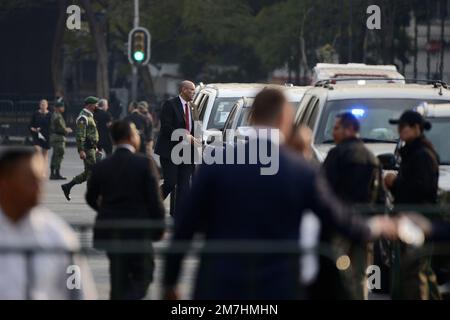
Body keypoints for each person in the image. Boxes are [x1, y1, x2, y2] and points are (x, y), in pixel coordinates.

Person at [162, 88, 396, 300]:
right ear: (285, 119)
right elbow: (336, 218)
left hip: (219, 286)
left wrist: (169, 282)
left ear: (251, 117)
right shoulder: (301, 170)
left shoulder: (216, 165)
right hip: (278, 286)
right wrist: (377, 226)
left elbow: (185, 225)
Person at [0, 147, 97, 299]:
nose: (39, 188)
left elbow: (78, 291)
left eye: (40, 180)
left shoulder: (58, 235)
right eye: (30, 180)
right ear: (4, 183)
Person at [85, 121, 165, 300]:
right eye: (136, 132)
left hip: (112, 231)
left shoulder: (102, 166)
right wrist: (159, 228)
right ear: (130, 137)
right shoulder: (144, 163)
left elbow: (90, 197)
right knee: (144, 274)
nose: (138, 136)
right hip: (139, 231)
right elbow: (155, 200)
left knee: (117, 277)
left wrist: (105, 210)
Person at [313, 112, 383, 300]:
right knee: (360, 275)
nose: (333, 133)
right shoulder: (371, 158)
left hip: (339, 223)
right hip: (364, 224)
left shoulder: (337, 155)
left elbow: (323, 188)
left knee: (334, 271)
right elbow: (380, 198)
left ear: (350, 129)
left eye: (336, 128)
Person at [385, 110, 441, 300]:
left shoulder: (422, 155)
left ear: (416, 128)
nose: (400, 131)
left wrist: (395, 183)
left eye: (403, 127)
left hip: (418, 219)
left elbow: (420, 189)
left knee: (415, 272)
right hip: (411, 217)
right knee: (421, 270)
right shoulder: (412, 152)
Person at [154, 80, 199, 217]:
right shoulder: (170, 104)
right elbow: (167, 127)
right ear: (184, 90)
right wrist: (185, 137)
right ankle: (153, 205)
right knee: (170, 183)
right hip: (170, 151)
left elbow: (196, 127)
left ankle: (179, 215)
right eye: (192, 90)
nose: (194, 93)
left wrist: (198, 139)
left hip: (187, 152)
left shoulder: (193, 107)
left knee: (184, 185)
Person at [61, 97, 99, 201]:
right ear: (89, 105)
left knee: (88, 172)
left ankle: (68, 186)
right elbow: (80, 134)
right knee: (92, 172)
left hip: (91, 148)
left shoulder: (88, 115)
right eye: (95, 104)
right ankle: (92, 195)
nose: (97, 106)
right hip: (87, 148)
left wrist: (94, 147)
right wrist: (81, 150)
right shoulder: (83, 117)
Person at [49, 98, 72, 180]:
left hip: (56, 137)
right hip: (59, 138)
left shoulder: (56, 115)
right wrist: (67, 130)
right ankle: (56, 173)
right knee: (59, 155)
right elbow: (61, 127)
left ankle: (53, 173)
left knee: (55, 155)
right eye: (62, 107)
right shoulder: (58, 116)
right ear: (59, 108)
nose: (63, 108)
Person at [29, 99, 51, 173]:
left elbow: (51, 126)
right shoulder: (36, 113)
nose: (43, 106)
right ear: (39, 105)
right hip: (37, 135)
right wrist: (34, 129)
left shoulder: (50, 115)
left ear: (47, 106)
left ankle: (43, 171)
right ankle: (37, 167)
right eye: (42, 104)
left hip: (46, 135)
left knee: (45, 154)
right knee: (37, 150)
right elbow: (30, 125)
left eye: (45, 104)